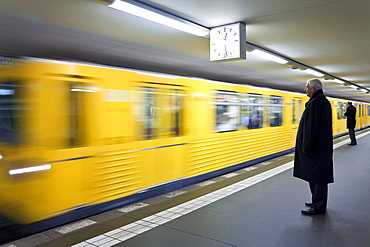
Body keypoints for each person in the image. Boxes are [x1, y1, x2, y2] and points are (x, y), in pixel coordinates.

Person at [293, 78, 334, 215]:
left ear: (313, 89)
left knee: (317, 177)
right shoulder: (322, 102)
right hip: (321, 148)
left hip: (316, 149)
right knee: (316, 176)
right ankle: (317, 201)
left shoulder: (315, 103)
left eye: (306, 87)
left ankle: (319, 206)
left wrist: (306, 146)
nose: (305, 89)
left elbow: (311, 127)